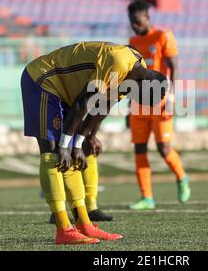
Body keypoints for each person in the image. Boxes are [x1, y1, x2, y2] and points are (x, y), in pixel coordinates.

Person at [21, 41, 168, 244]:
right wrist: (67, 145)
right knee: (54, 152)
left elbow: (104, 105)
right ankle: (63, 229)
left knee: (71, 153)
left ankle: (84, 224)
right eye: (136, 98)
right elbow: (85, 101)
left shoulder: (136, 72)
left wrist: (81, 140)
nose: (130, 101)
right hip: (43, 80)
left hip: (65, 90)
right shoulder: (118, 62)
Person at [127, 1, 191, 210]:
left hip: (161, 101)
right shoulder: (133, 41)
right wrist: (129, 105)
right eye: (132, 23)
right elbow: (132, 75)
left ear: (147, 17)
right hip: (139, 102)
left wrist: (172, 96)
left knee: (163, 149)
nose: (135, 26)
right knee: (139, 148)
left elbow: (174, 66)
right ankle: (147, 197)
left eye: (137, 22)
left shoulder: (163, 36)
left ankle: (181, 178)